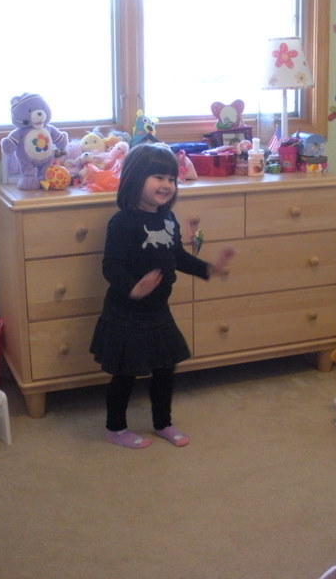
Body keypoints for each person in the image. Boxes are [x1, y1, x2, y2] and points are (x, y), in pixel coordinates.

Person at [90, 143, 234, 449]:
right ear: (135, 178)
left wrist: (209, 268)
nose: (167, 184)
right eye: (158, 177)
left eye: (171, 178)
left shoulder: (167, 219)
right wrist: (133, 288)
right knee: (125, 374)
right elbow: (111, 266)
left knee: (165, 368)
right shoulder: (122, 222)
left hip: (157, 311)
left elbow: (176, 256)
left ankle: (162, 422)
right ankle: (116, 428)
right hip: (126, 312)